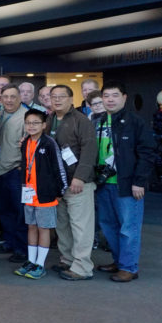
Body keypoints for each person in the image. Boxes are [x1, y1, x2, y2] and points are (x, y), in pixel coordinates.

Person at [95, 81, 157, 282]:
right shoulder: (99, 120)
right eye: (106, 96)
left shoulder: (136, 122)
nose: (110, 99)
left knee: (128, 228)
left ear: (124, 97)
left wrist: (139, 181)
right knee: (108, 225)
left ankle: (129, 267)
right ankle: (119, 261)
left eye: (114, 95)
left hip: (128, 185)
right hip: (104, 184)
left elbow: (147, 153)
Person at [45, 84, 98, 281]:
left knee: (81, 226)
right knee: (62, 225)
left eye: (61, 96)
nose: (57, 100)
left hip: (78, 183)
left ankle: (83, 267)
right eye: (53, 97)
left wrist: (80, 177)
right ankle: (67, 259)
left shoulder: (81, 121)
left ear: (71, 99)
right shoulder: (49, 120)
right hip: (57, 184)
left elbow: (89, 150)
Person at [14, 109, 68, 279]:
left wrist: (60, 190)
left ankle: (40, 264)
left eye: (36, 123)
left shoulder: (49, 143)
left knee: (43, 228)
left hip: (45, 193)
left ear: (44, 125)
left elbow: (58, 167)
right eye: (28, 123)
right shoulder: (25, 143)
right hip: (29, 193)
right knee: (31, 226)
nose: (31, 126)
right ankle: (31, 261)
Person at [0, 84, 29, 263]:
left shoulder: (25, 117)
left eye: (13, 96)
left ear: (20, 98)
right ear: (0, 98)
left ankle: (21, 248)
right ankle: (9, 241)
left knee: (19, 211)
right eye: (5, 97)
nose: (9, 100)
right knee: (4, 210)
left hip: (15, 171)